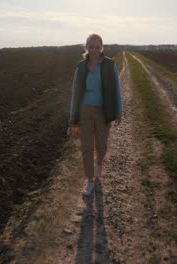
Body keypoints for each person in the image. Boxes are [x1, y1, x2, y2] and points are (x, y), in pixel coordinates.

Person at [69, 33, 123, 196]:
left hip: (103, 110)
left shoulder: (109, 65)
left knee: (101, 145)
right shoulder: (81, 66)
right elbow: (75, 92)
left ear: (102, 48)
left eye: (97, 47)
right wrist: (73, 114)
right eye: (91, 47)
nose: (94, 50)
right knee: (86, 146)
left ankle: (99, 163)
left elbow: (116, 89)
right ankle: (90, 180)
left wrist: (119, 110)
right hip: (85, 110)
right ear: (86, 47)